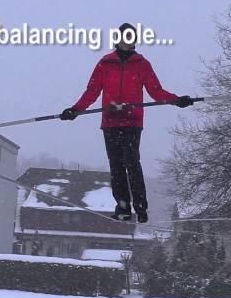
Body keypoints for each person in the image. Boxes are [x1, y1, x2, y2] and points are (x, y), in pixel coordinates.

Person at [60, 23, 194, 223]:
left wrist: (177, 100)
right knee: (116, 166)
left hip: (132, 121)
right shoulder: (105, 63)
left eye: (132, 38)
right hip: (111, 122)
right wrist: (75, 110)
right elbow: (92, 91)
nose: (128, 41)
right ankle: (123, 206)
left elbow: (156, 91)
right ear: (119, 39)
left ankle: (140, 207)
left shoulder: (142, 64)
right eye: (125, 37)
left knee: (131, 162)